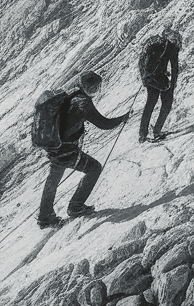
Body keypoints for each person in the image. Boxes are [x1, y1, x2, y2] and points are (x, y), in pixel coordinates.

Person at [38, 70, 130, 229]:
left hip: (54, 147)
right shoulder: (83, 103)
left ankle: (45, 217)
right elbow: (103, 124)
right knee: (94, 168)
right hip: (67, 151)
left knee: (53, 179)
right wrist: (122, 118)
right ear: (90, 87)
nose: (97, 90)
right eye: (96, 87)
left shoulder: (70, 96)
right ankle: (76, 206)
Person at [138, 25, 181, 143]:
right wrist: (172, 85)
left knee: (150, 103)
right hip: (158, 79)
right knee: (167, 103)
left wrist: (146, 78)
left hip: (149, 78)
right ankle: (157, 131)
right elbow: (174, 68)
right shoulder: (172, 48)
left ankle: (142, 134)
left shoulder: (156, 45)